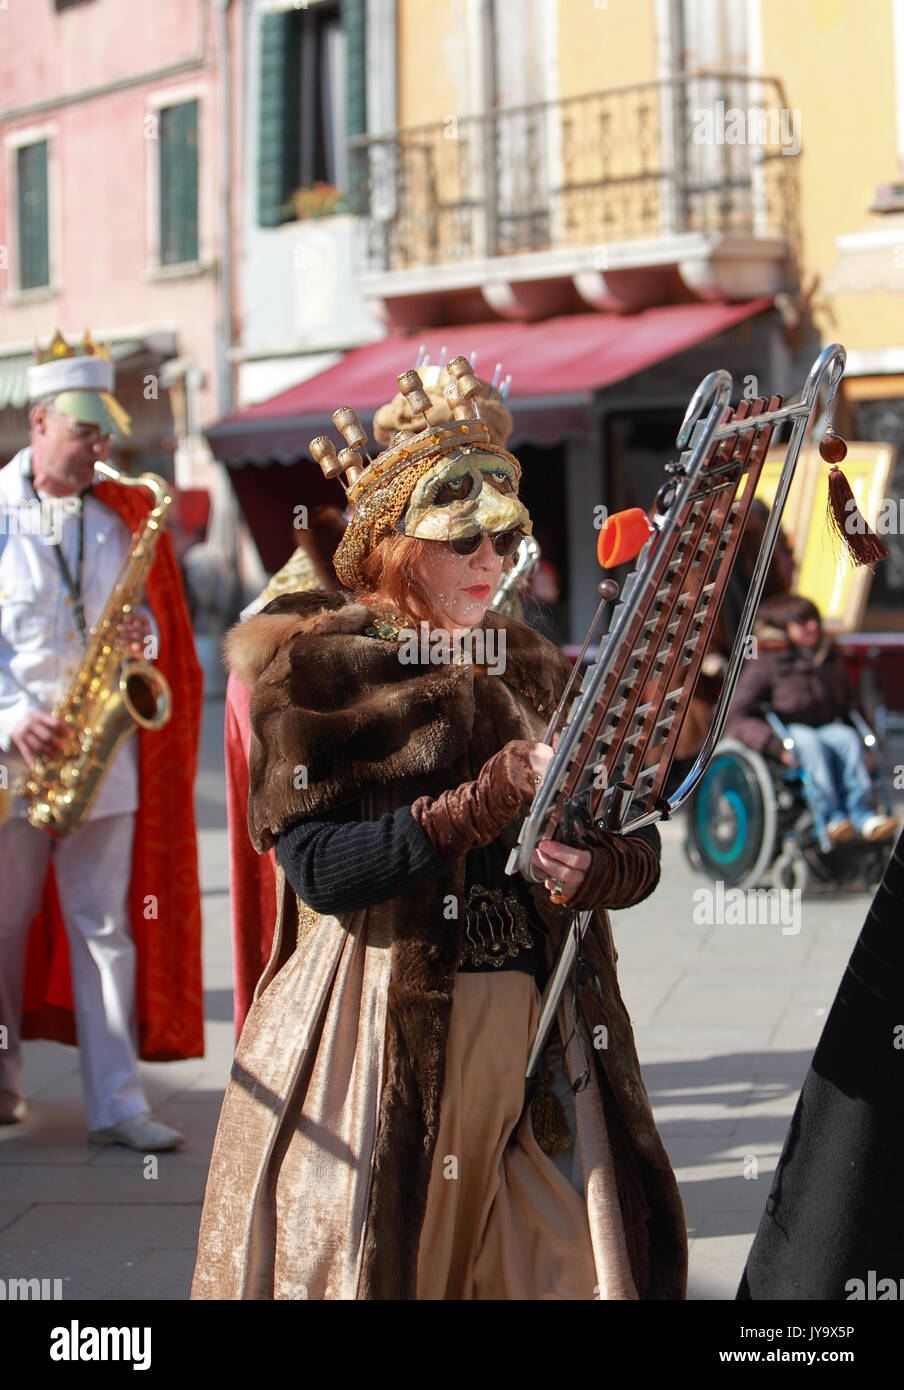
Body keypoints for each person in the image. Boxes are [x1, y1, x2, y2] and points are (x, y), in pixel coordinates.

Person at [192, 360, 686, 1300]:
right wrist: (479, 805)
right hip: (380, 1035)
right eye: (463, 543)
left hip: (545, 1040)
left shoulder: (533, 663)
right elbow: (321, 871)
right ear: (392, 546)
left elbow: (639, 848)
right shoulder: (326, 673)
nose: (491, 566)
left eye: (504, 542)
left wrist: (597, 868)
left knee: (565, 1278)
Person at [0, 331, 204, 1148]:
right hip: (16, 758)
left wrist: (144, 642)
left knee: (104, 928)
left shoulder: (116, 520)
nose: (101, 447)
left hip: (101, 751)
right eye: (85, 431)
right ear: (41, 421)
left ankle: (119, 1102)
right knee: (4, 929)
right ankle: (3, 1081)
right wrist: (13, 716)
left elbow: (142, 615)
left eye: (105, 431)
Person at [725, 592, 896, 843]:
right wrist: (775, 746)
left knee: (848, 738)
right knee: (810, 744)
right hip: (790, 732)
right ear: (783, 628)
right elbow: (736, 716)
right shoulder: (767, 662)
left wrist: (868, 745)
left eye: (814, 619)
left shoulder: (829, 658)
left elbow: (851, 707)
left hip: (827, 726)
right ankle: (831, 817)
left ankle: (862, 814)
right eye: (802, 621)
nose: (812, 626)